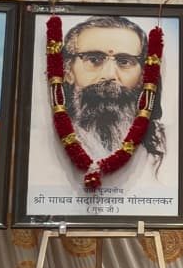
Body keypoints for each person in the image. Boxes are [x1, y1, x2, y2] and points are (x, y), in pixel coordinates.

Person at [61, 15, 166, 178]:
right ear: (68, 71)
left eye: (124, 61)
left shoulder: (165, 143)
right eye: (94, 59)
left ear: (143, 76)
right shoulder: (43, 140)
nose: (109, 75)